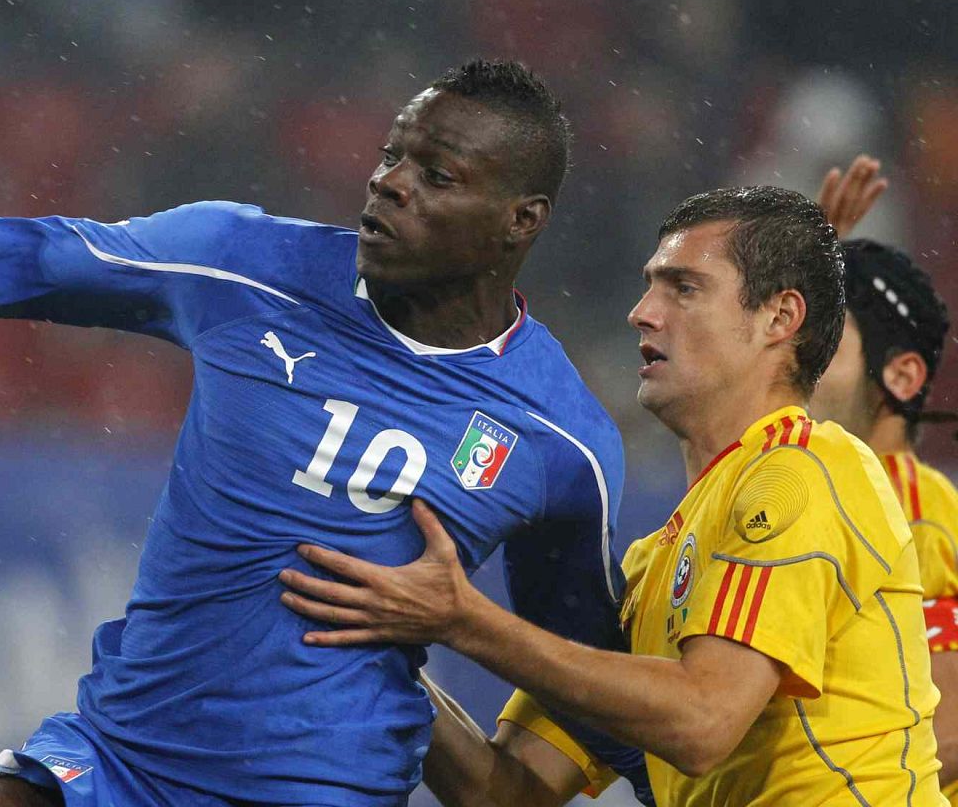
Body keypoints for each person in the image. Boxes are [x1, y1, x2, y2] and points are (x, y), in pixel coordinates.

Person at [0, 60, 651, 806]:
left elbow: (584, 670)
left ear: (521, 223)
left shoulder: (557, 439)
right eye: (391, 154)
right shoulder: (242, 264)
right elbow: (21, 258)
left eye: (437, 176)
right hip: (116, 757)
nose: (389, 182)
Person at [278, 185, 944, 806]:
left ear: (779, 316)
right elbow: (504, 790)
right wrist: (382, 628)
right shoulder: (652, 566)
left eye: (683, 287)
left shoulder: (803, 468)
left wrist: (461, 620)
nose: (642, 312)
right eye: (650, 285)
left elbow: (704, 720)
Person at [812, 237, 958, 803]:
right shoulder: (814, 485)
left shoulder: (913, 515)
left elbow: (941, 733)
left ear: (900, 376)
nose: (791, 356)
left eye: (824, 339)